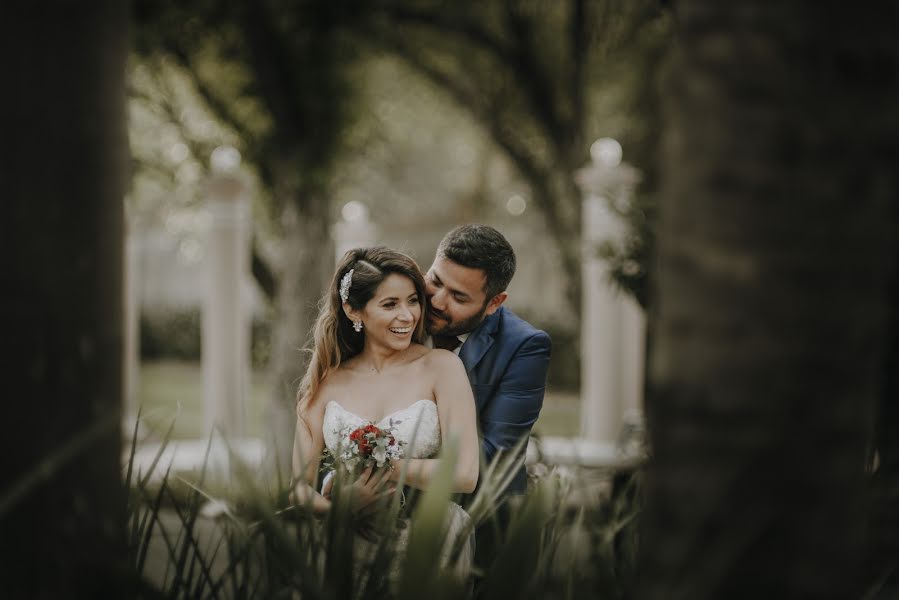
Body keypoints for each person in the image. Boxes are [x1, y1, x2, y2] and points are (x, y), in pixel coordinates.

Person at [290, 246, 479, 580]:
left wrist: (386, 467)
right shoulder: (325, 382)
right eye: (390, 304)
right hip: (345, 544)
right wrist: (339, 509)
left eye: (413, 300)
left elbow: (464, 473)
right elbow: (298, 488)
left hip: (428, 538)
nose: (408, 316)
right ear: (353, 310)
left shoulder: (442, 368)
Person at [425, 224, 551, 497]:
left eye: (458, 296)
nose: (437, 301)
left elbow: (496, 455)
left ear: (494, 303)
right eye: (435, 281)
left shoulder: (524, 347)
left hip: (477, 518)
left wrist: (390, 461)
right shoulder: (400, 317)